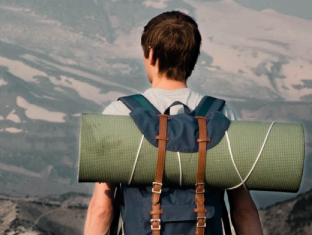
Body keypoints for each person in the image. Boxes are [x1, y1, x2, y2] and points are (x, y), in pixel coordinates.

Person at [84, 11, 263, 235]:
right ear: (193, 59)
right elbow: (243, 209)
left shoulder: (119, 114)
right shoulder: (222, 116)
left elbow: (102, 209)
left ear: (150, 55)